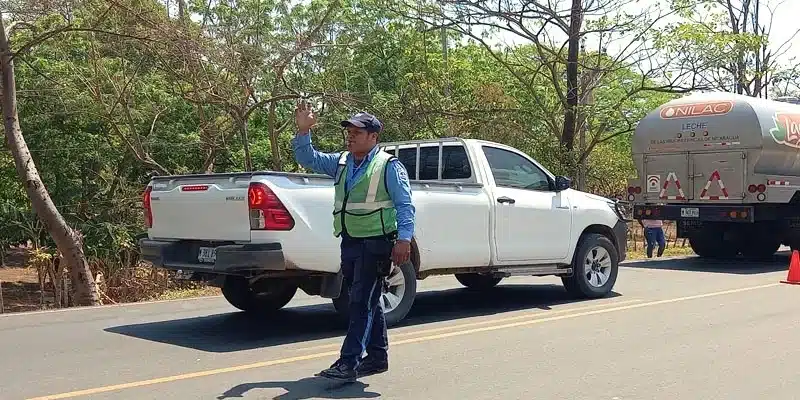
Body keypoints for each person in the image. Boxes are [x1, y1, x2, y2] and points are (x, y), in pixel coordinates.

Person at [292, 101, 415, 381]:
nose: (350, 135)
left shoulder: (388, 166)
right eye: (348, 131)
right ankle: (377, 356)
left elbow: (405, 205)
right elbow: (308, 158)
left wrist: (404, 240)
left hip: (377, 243)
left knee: (359, 301)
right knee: (367, 300)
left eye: (357, 132)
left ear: (373, 137)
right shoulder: (342, 162)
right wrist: (303, 131)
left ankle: (348, 362)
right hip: (350, 240)